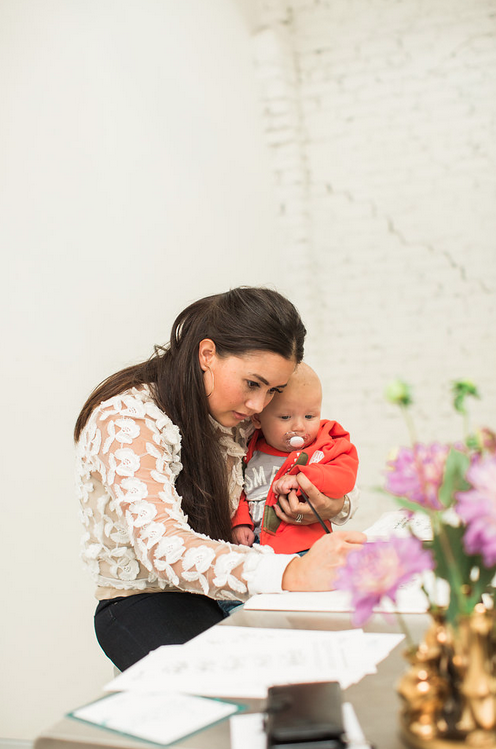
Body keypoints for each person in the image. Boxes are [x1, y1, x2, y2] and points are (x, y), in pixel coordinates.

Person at [74, 287, 365, 671]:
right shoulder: (129, 420)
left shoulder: (238, 416)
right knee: (238, 689)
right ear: (207, 354)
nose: (259, 405)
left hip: (228, 591)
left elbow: (317, 455)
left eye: (273, 391)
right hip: (147, 599)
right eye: (252, 384)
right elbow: (163, 547)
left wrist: (334, 506)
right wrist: (292, 572)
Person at [231, 362, 359, 554]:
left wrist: (302, 477)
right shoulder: (248, 448)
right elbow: (237, 489)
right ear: (257, 419)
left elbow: (344, 476)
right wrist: (240, 522)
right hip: (255, 549)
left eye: (309, 416)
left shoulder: (325, 446)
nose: (299, 427)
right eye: (285, 417)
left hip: (306, 549)